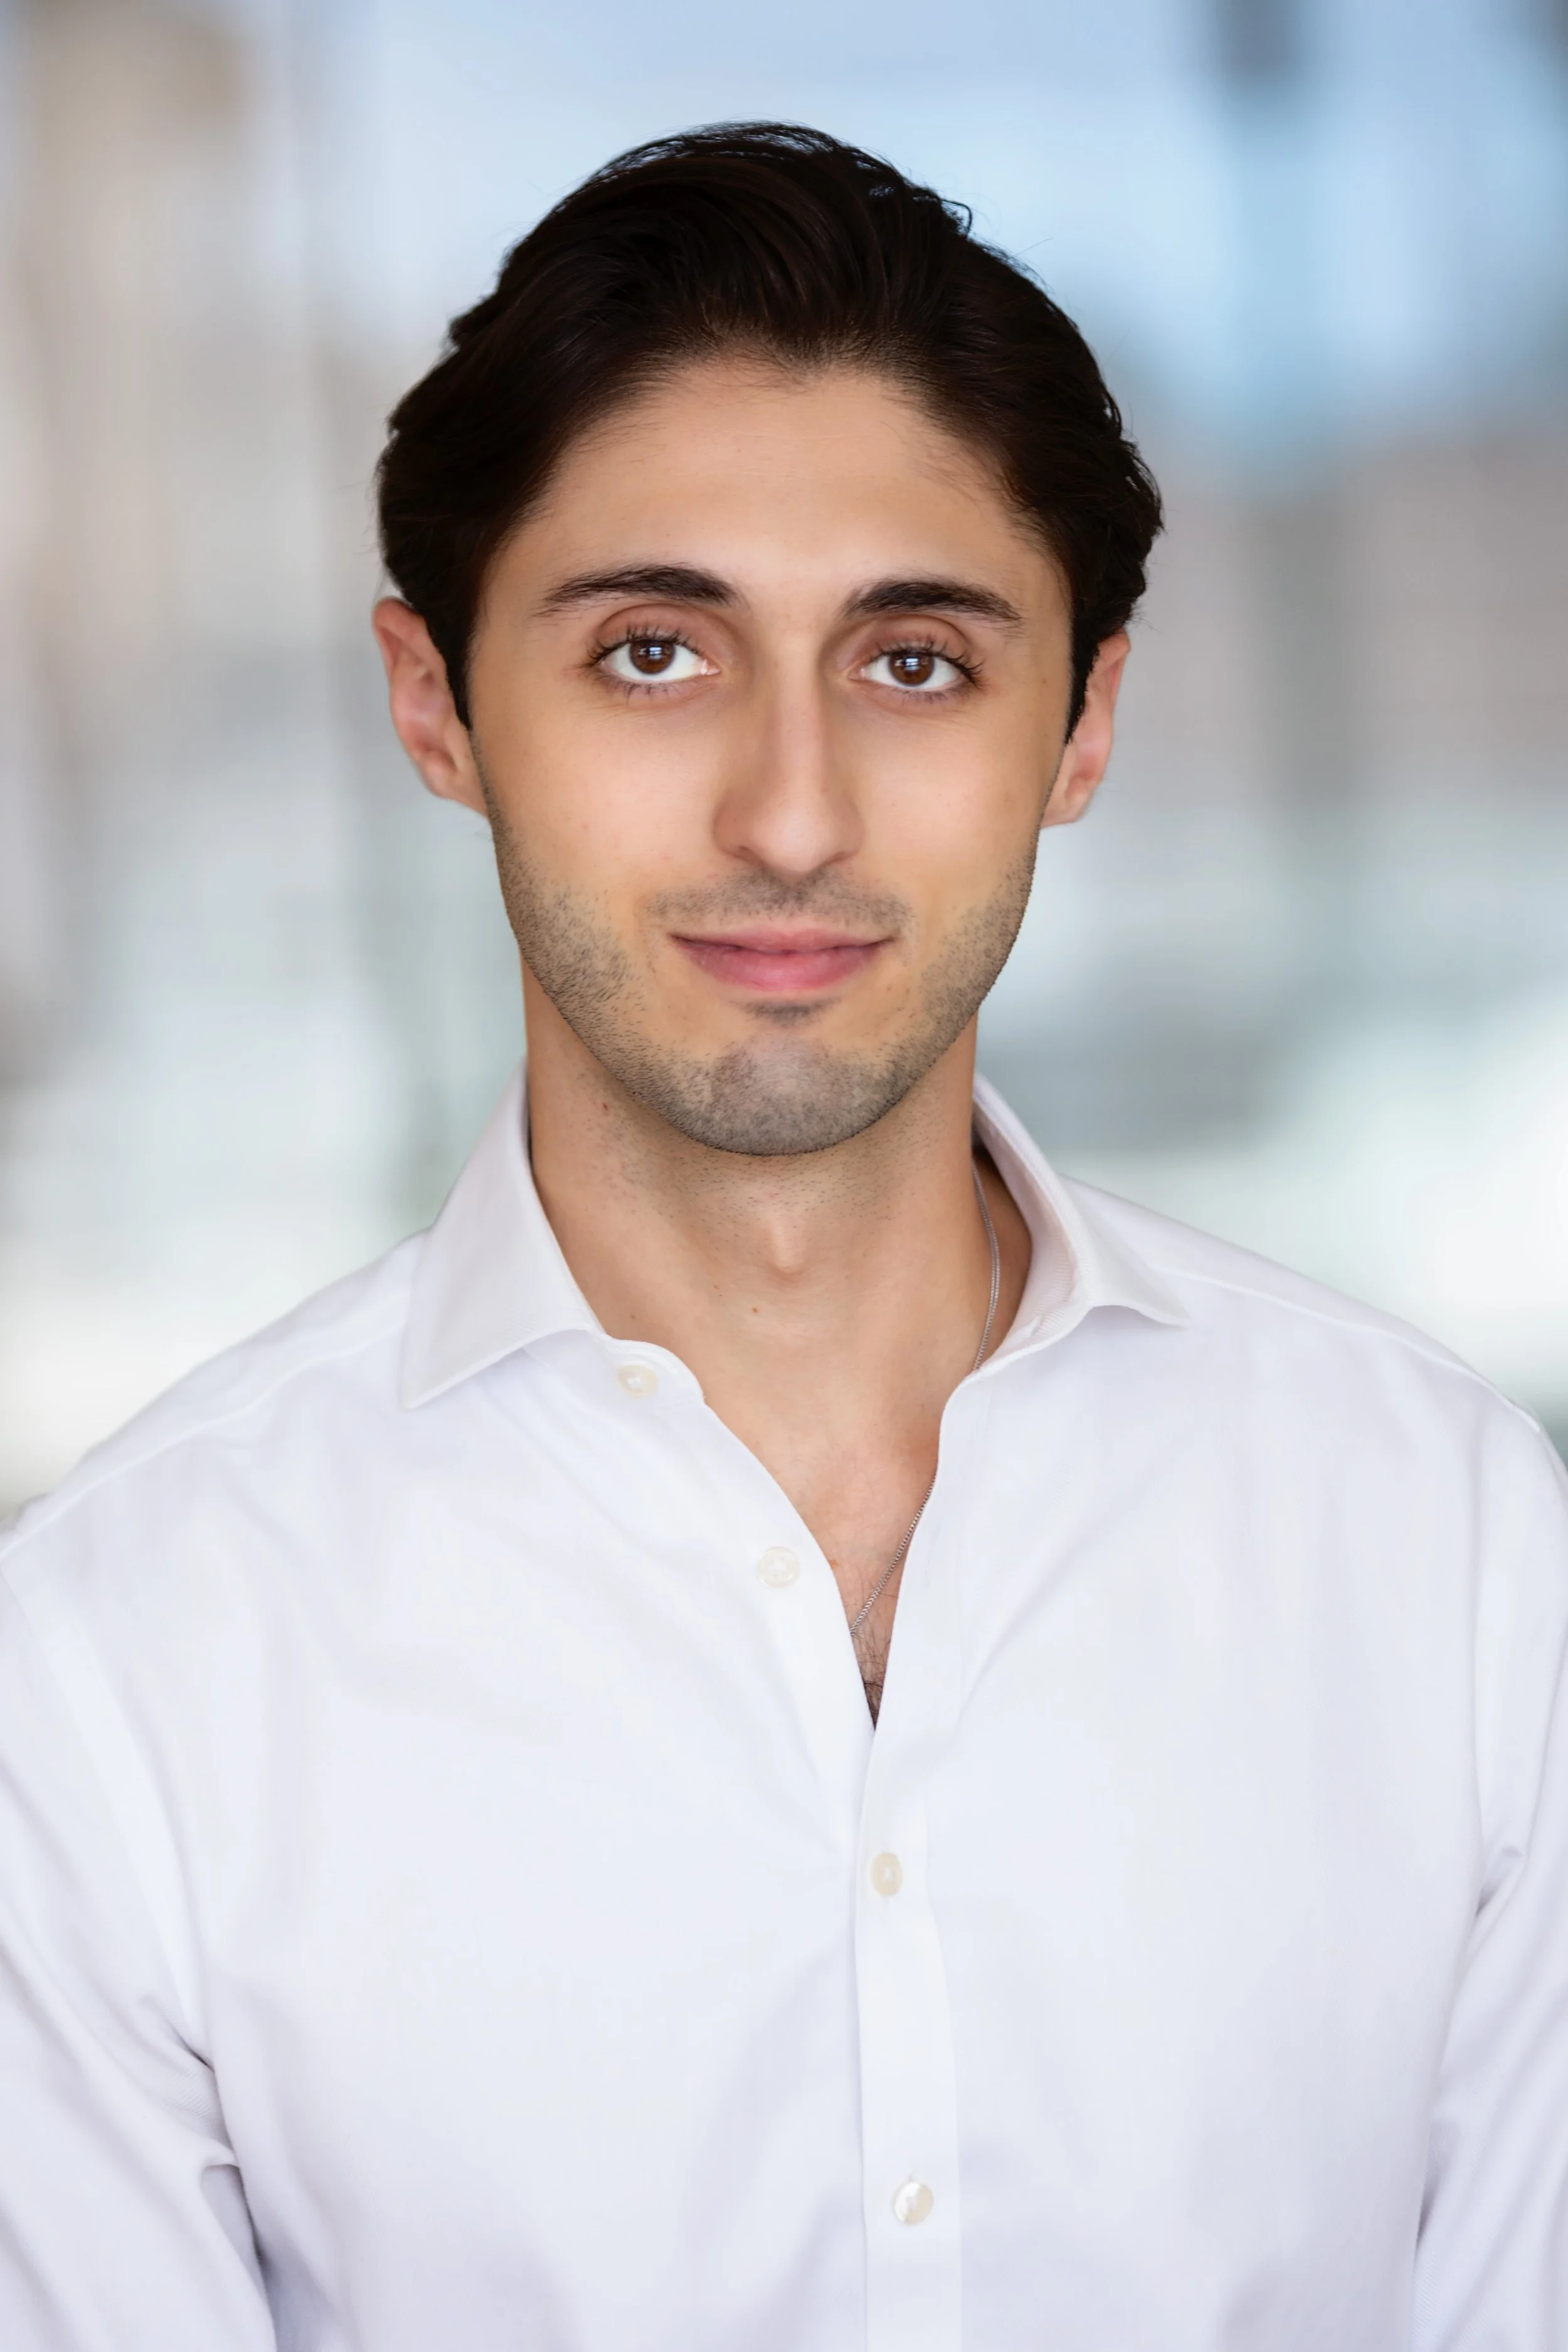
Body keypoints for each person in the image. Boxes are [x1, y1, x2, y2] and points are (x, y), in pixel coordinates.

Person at [1, 121, 1565, 2352]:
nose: (793, 811)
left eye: (914, 661)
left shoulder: (1454, 1555)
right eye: (654, 653)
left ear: (1083, 724)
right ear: (434, 701)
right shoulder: (110, 1674)